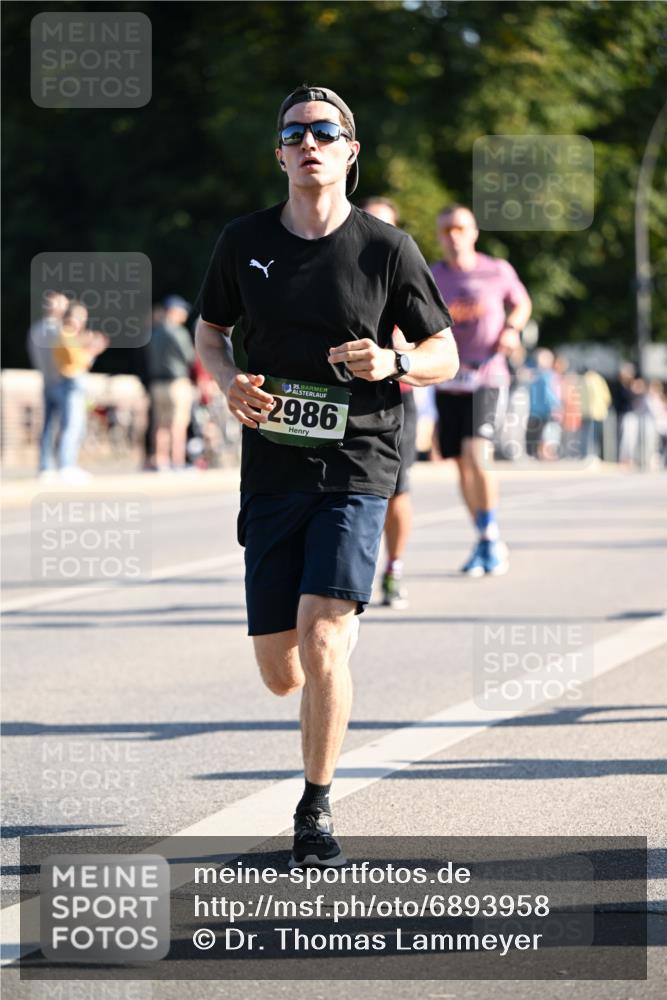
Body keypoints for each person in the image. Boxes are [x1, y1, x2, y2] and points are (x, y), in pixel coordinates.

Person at [195, 85, 457, 867]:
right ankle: (318, 676)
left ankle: (314, 808)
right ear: (279, 154)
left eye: (325, 132)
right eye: (294, 132)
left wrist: (398, 360)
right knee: (281, 672)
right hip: (273, 469)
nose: (309, 142)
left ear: (349, 151)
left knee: (322, 640)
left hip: (360, 459)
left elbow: (445, 353)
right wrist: (228, 379)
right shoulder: (241, 241)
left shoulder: (386, 248)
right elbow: (210, 333)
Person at [431, 205, 532, 576]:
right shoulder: (433, 276)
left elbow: (521, 302)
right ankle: (485, 537)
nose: (453, 236)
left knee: (478, 455)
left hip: (488, 376)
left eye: (459, 228)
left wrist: (512, 328)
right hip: (448, 378)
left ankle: (490, 537)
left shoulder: (497, 270)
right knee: (460, 464)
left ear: (473, 232)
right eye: (445, 230)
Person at [358, 196, 416, 609]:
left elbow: (435, 343)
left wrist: (399, 354)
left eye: (387, 225)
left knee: (396, 491)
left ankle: (392, 567)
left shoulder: (405, 265)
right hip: (343, 397)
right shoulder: (336, 259)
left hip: (395, 398)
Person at [49, 300, 109, 481]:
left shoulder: (70, 335)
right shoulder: (65, 334)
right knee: (72, 426)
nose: (82, 321)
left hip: (71, 382)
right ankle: (66, 466)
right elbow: (77, 361)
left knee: (75, 425)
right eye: (80, 317)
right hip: (71, 382)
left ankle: (68, 464)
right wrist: (92, 350)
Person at [148, 295, 196, 470]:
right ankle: (177, 462)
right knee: (178, 424)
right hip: (176, 383)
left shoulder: (155, 332)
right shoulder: (178, 332)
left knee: (160, 424)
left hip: (157, 383)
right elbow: (189, 356)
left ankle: (160, 460)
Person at [27, 290, 69, 478]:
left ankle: (45, 465)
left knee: (48, 425)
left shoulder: (36, 329)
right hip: (62, 381)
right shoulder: (61, 330)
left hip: (47, 381)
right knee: (67, 425)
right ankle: (65, 464)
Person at [526, 349, 560, 460]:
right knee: (539, 433)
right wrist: (555, 405)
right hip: (540, 409)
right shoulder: (547, 375)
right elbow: (550, 393)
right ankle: (534, 453)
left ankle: (533, 453)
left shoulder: (534, 373)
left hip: (536, 409)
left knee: (536, 433)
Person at [579, 366, 612, 460]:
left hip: (587, 412)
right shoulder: (598, 379)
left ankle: (586, 454)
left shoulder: (583, 379)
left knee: (587, 434)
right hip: (597, 412)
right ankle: (592, 454)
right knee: (593, 435)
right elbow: (606, 396)